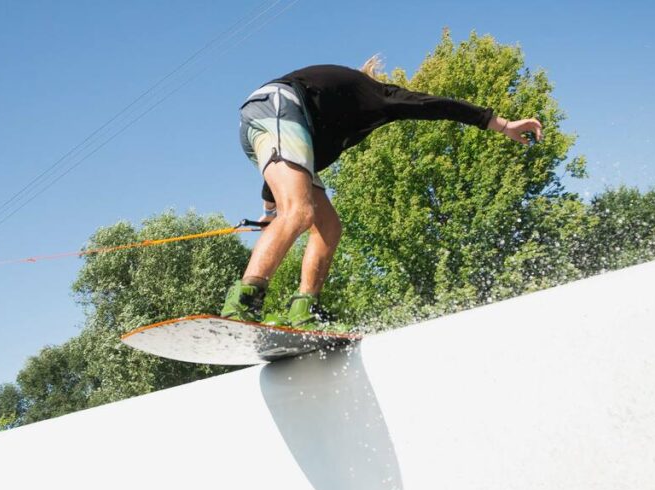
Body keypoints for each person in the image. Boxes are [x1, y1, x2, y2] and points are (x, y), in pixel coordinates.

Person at [223, 57, 543, 329]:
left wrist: (269, 212)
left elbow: (281, 169)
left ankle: (304, 308)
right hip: (277, 107)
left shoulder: (332, 118)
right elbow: (430, 104)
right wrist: (497, 123)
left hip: (271, 124)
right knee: (300, 212)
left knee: (328, 226)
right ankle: (244, 302)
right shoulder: (376, 94)